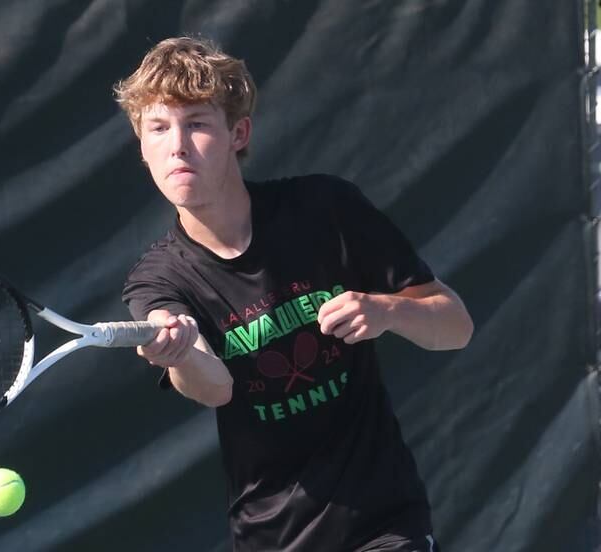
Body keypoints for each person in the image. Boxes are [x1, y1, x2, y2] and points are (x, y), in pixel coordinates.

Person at [114, 36, 473, 552]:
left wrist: (386, 309)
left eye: (196, 124)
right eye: (158, 128)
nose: (178, 146)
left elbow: (456, 326)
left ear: (238, 133)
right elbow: (214, 387)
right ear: (142, 148)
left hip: (384, 525)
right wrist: (178, 355)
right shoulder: (156, 280)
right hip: (271, 539)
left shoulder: (327, 209)